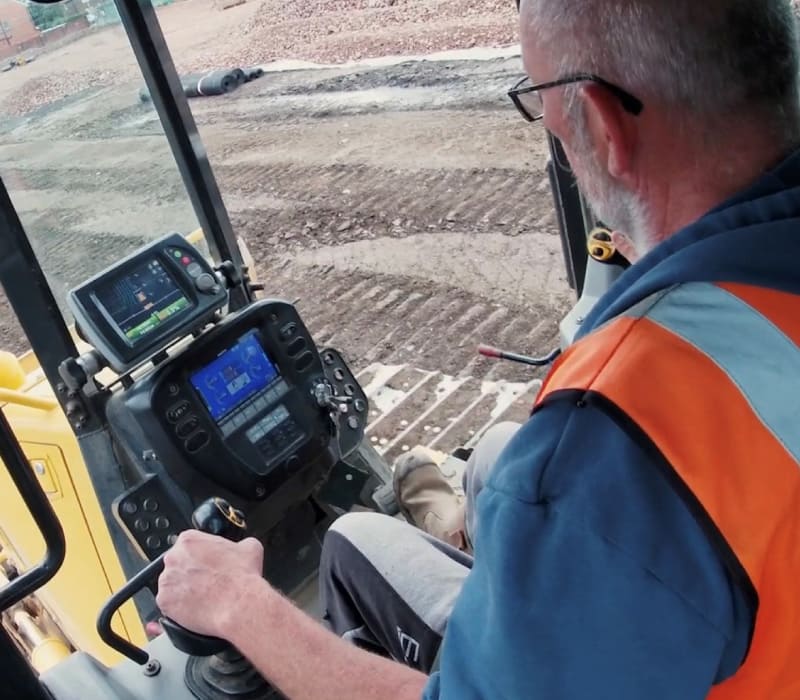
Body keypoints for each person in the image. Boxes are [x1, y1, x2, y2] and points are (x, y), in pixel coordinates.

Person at [156, 0, 800, 697]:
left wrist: (239, 605)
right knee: (494, 457)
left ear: (606, 127)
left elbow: (613, 474)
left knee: (352, 540)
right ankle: (484, 555)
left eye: (546, 118)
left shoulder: (612, 431)